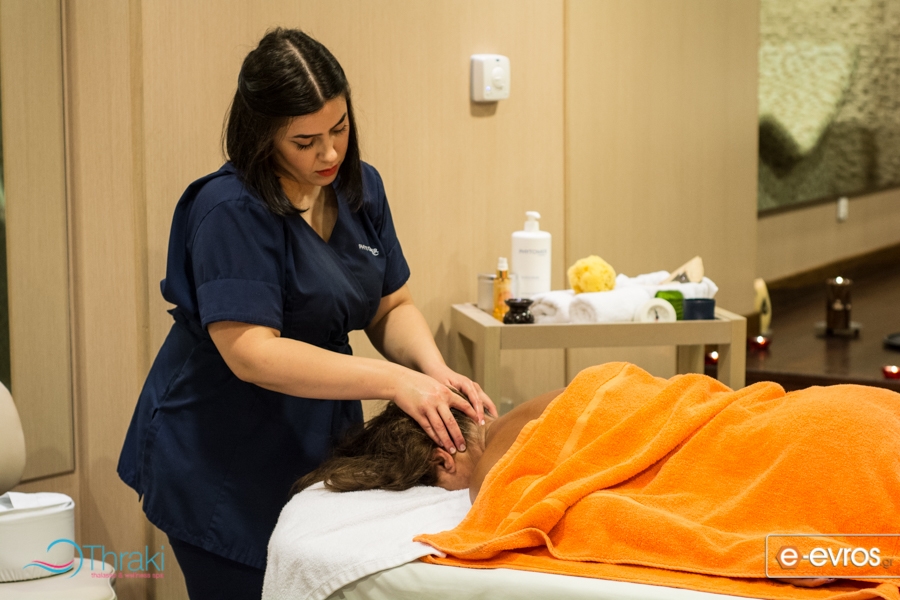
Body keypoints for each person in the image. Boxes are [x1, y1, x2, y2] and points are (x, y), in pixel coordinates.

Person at [117, 28, 495, 600]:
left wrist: (433, 369)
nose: (330, 154)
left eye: (339, 129)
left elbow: (391, 304)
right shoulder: (229, 209)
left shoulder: (360, 187)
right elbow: (252, 353)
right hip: (223, 445)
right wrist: (397, 381)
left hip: (317, 428)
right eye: (305, 141)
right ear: (262, 134)